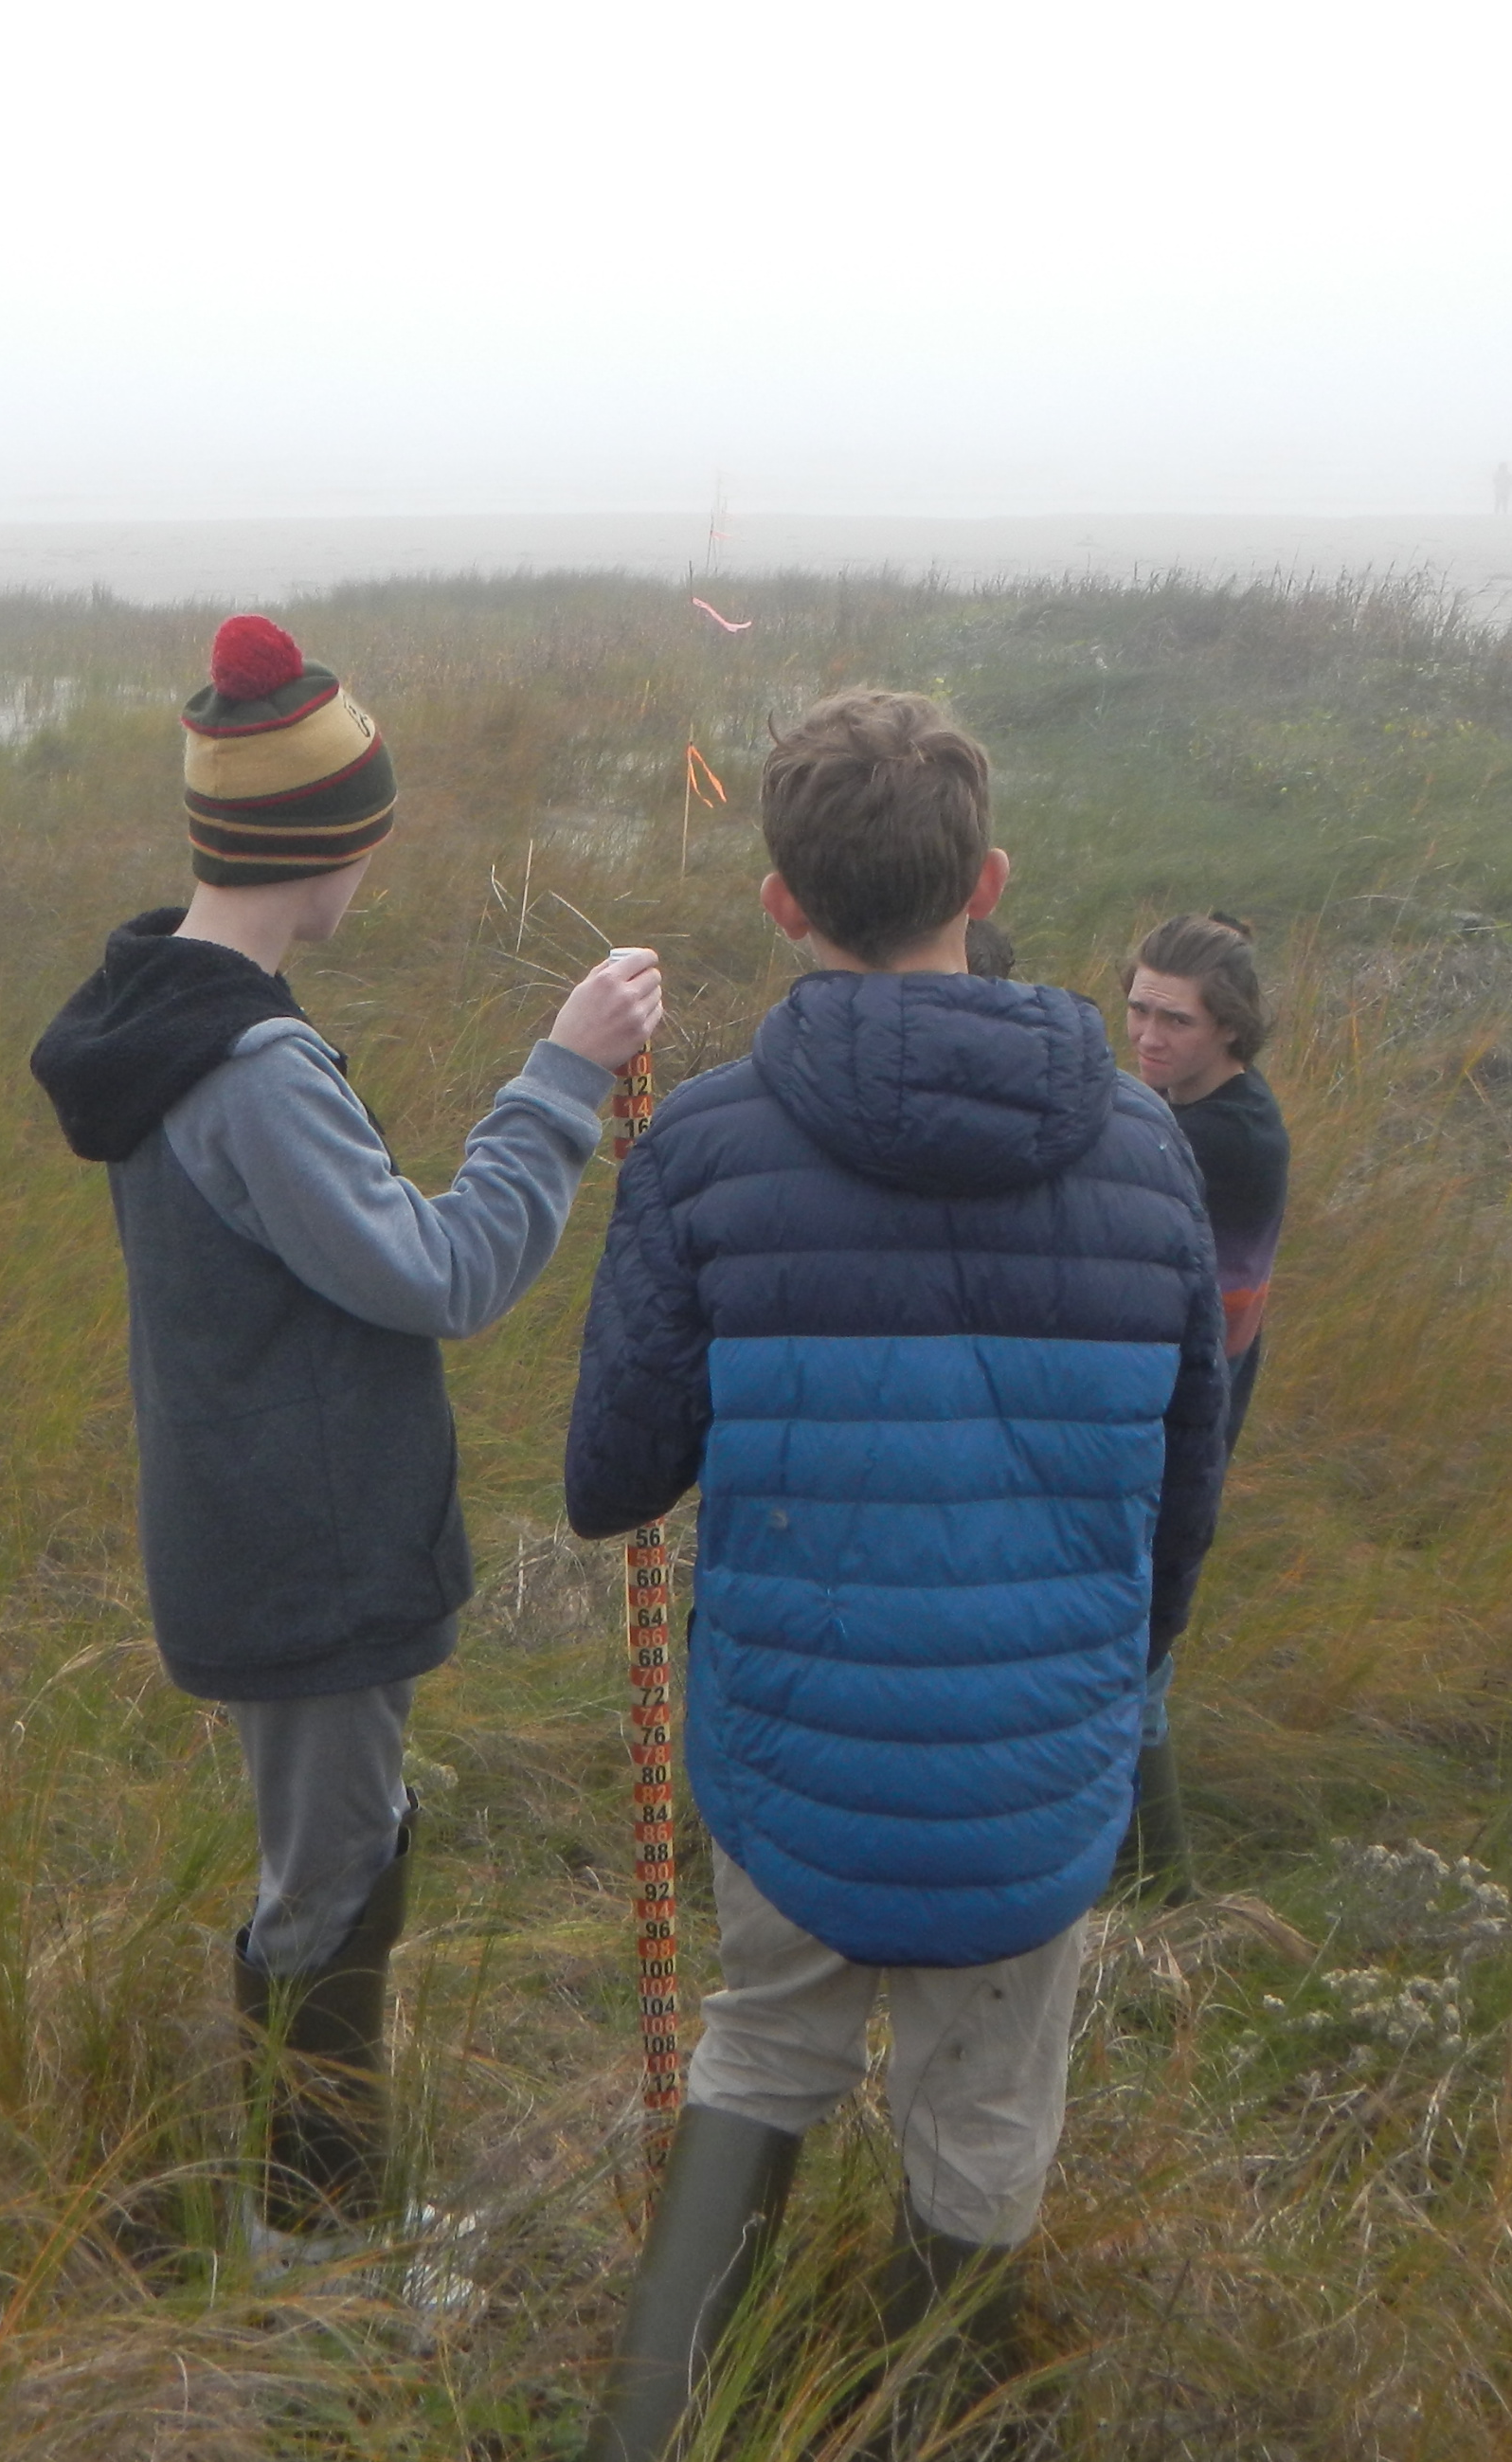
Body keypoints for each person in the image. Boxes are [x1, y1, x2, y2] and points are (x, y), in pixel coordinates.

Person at [562, 691, 1223, 2457]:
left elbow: (610, 1478)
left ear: (782, 902)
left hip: (794, 1756)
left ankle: (657, 2428)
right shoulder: (1152, 1148)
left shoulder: (699, 1146)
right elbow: (1186, 1499)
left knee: (761, 2049)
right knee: (987, 2112)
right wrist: (1100, 1681)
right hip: (1039, 1770)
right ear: (987, 879)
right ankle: (926, 2419)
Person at [27, 612, 662, 2246]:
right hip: (307, 1564)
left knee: (327, 1862)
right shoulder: (251, 1069)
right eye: (364, 837)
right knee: (329, 1887)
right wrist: (564, 1078)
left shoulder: (160, 1017)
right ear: (324, 850)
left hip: (257, 1532)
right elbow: (441, 1275)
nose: (371, 870)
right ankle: (312, 2249)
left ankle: (306, 2220)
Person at [1114, 912, 1289, 1897]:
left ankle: (1159, 1897)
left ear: (1228, 1027)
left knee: (1137, 1676)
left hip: (1180, 1434)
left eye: (1173, 1020)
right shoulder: (1191, 1113)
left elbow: (1189, 1334)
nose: (1145, 1036)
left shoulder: (1222, 1141)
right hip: (1175, 1421)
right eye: (1136, 1009)